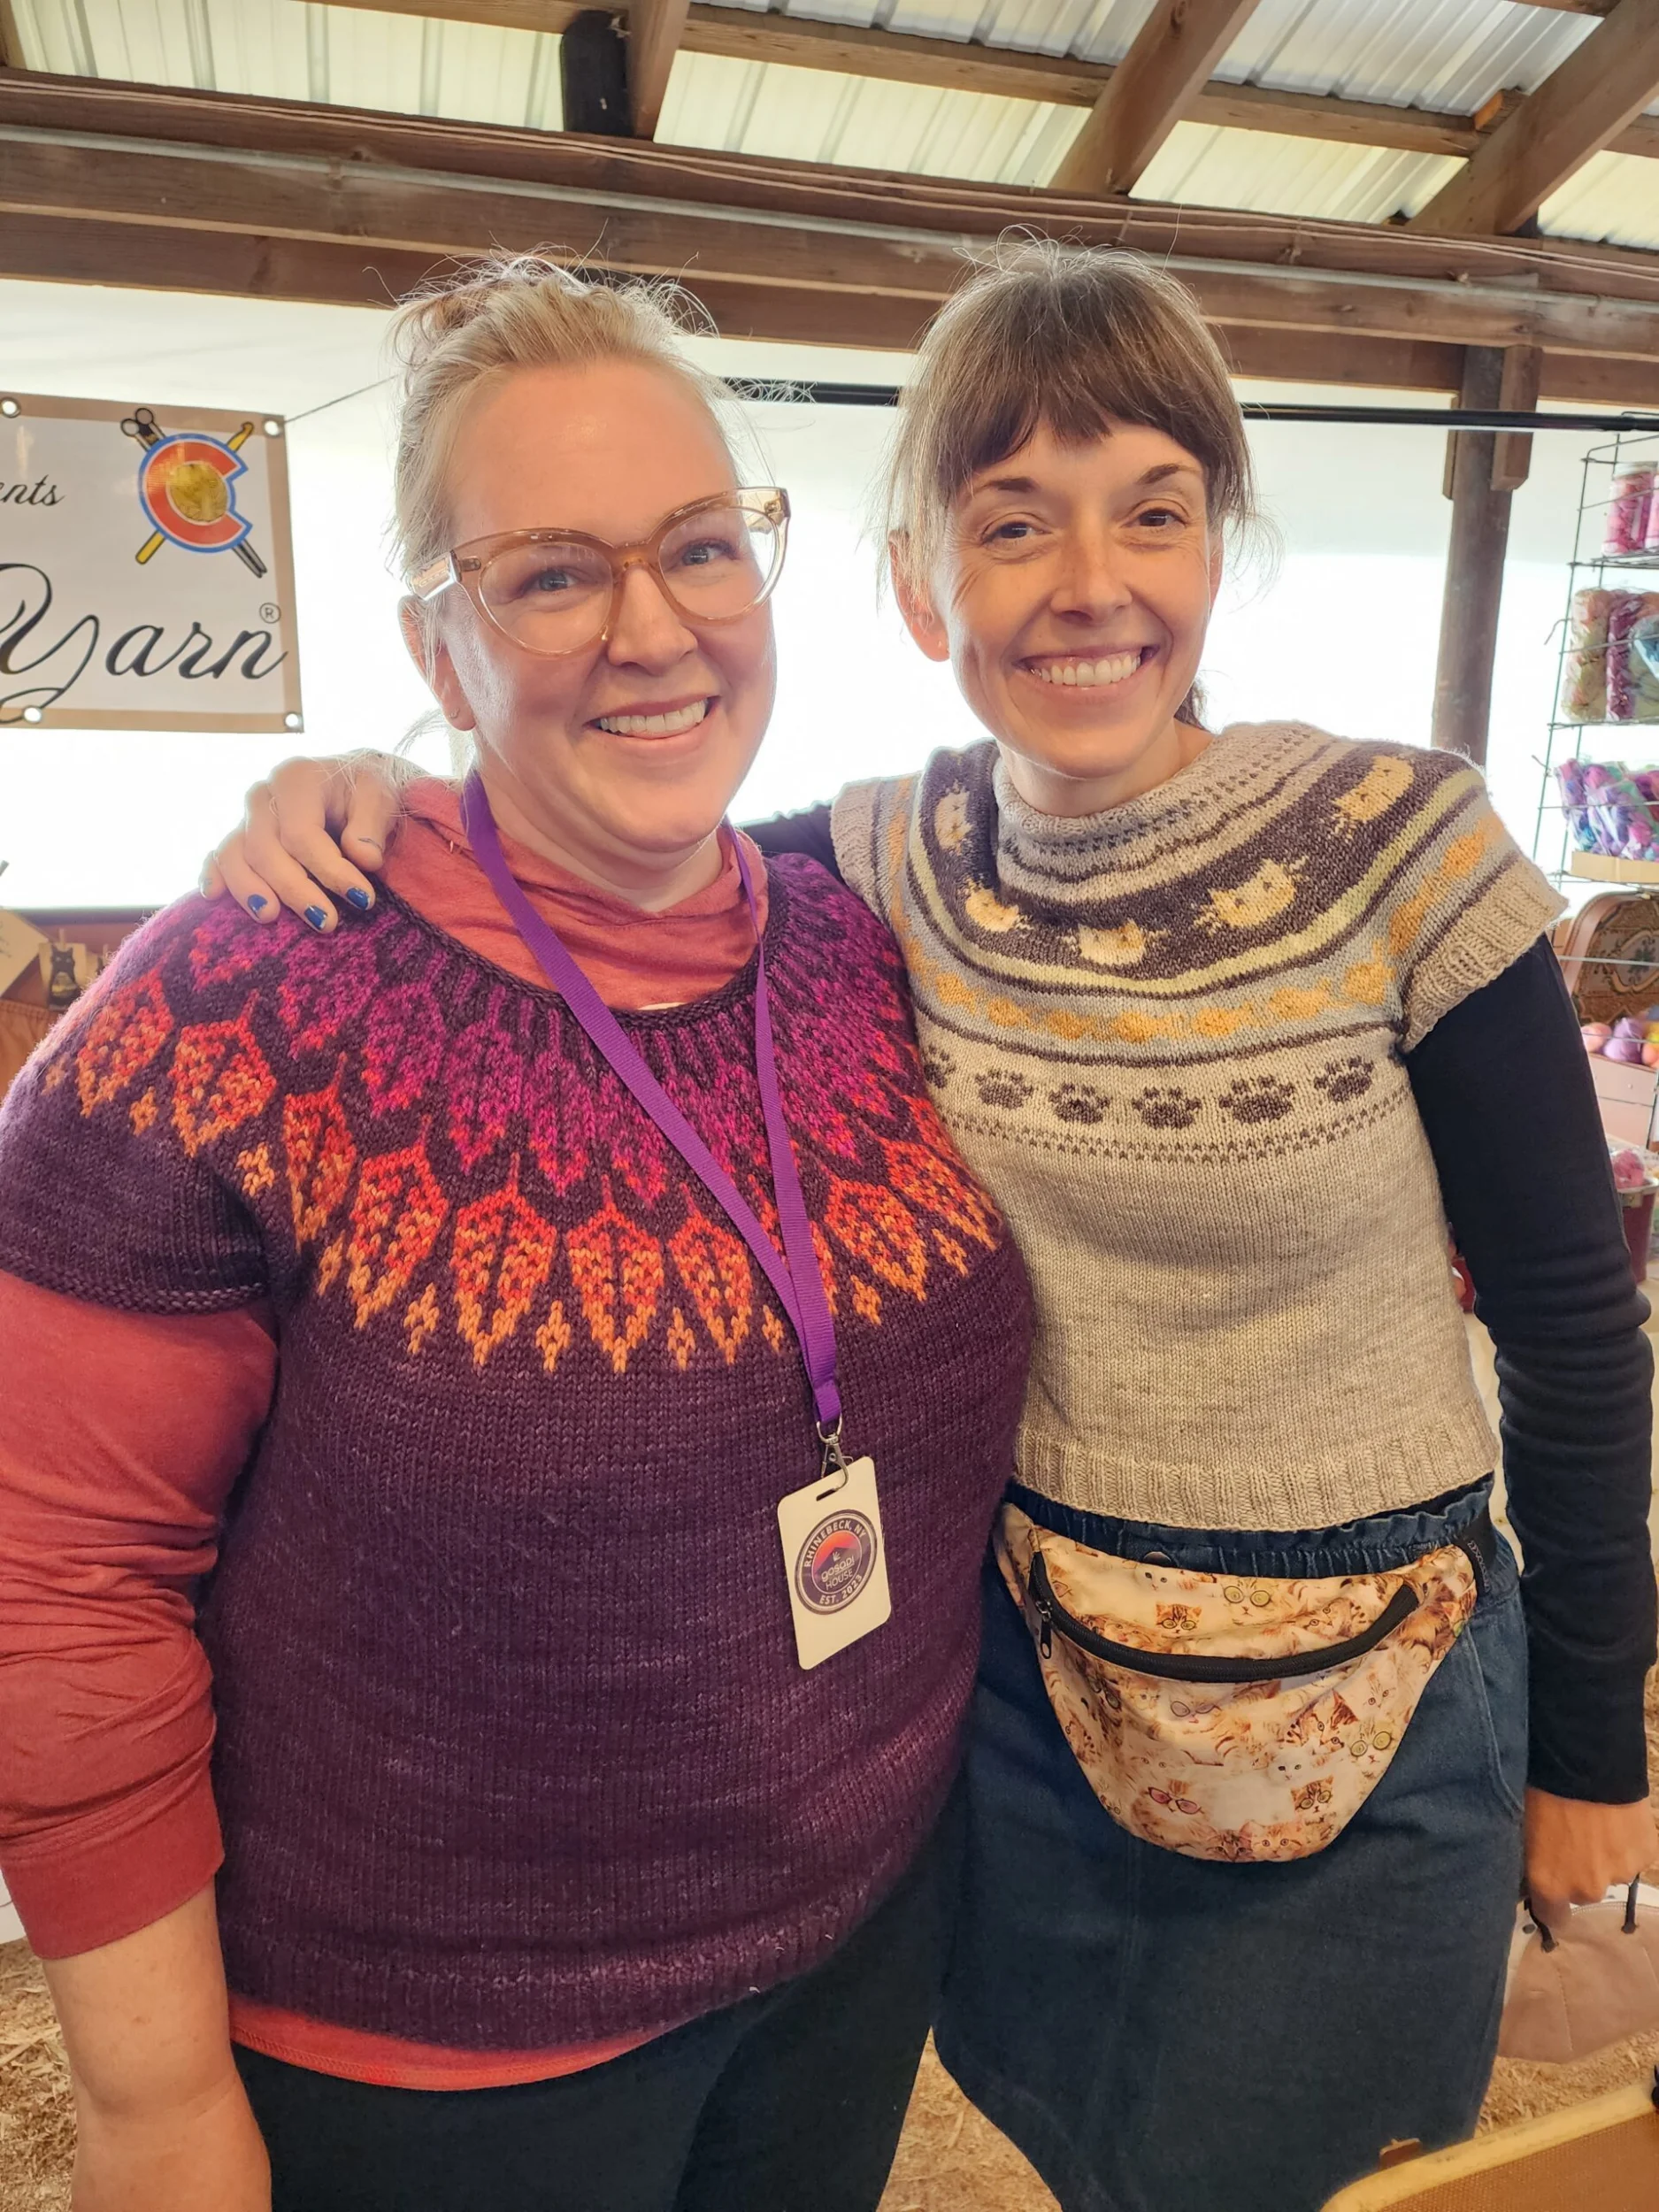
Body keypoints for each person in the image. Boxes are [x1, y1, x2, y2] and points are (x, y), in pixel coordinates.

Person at [217, 243, 1657, 2212]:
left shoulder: (1405, 849)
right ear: (919, 581)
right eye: (1014, 521)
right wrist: (375, 782)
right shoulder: (886, 858)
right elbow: (592, 832)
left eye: (1153, 510)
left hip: (1375, 1714)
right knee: (1090, 2145)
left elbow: (1573, 1327)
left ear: (1217, 547)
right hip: (1032, 1714)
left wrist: (1594, 1751)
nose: (1090, 583)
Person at [0, 255, 1034, 2212]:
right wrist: (149, 2101)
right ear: (436, 635)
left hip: (850, 1943)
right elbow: (55, 1582)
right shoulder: (238, 1004)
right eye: (551, 574)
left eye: (702, 547)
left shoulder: (855, 933)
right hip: (433, 2051)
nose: (652, 630)